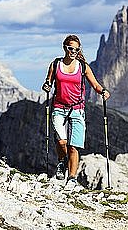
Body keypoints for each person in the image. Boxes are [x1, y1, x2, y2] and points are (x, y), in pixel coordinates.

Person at [42, 34, 110, 191]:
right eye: (70, 48)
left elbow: (95, 84)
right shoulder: (55, 64)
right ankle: (62, 161)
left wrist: (103, 91)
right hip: (59, 107)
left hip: (77, 109)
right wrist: (46, 85)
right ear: (65, 48)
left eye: (76, 49)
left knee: (74, 146)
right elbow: (48, 81)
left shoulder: (83, 66)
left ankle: (71, 178)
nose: (73, 51)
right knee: (61, 140)